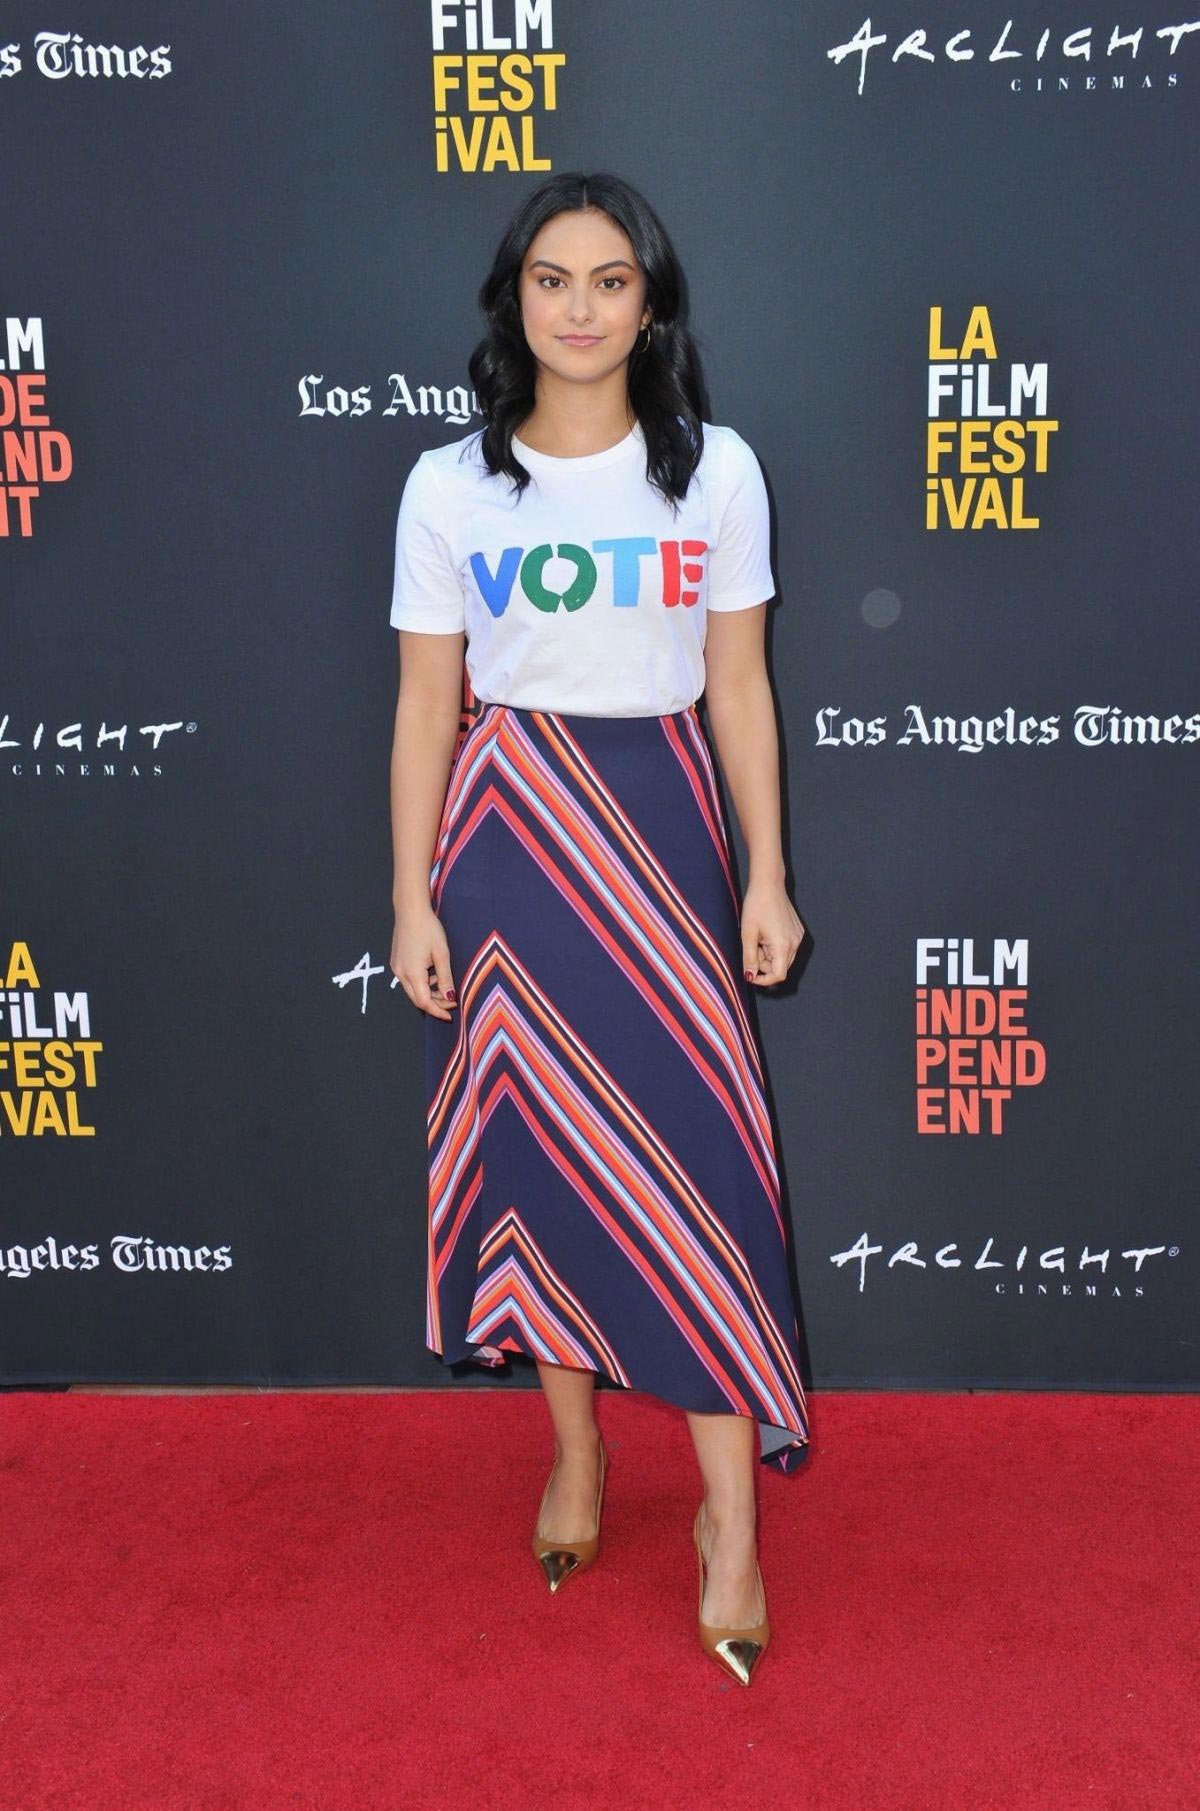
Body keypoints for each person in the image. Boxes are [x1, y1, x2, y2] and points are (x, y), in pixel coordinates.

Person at [387, 170, 810, 1686]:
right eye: (551, 279)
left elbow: (742, 686)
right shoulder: (452, 484)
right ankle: (574, 1462)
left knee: (698, 1176)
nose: (578, 307)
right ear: (515, 298)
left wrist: (763, 873)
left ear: (652, 302)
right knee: (545, 1157)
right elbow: (428, 704)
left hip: (660, 823)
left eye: (610, 280)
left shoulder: (719, 474)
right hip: (507, 834)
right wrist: (409, 892)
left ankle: (731, 1527)